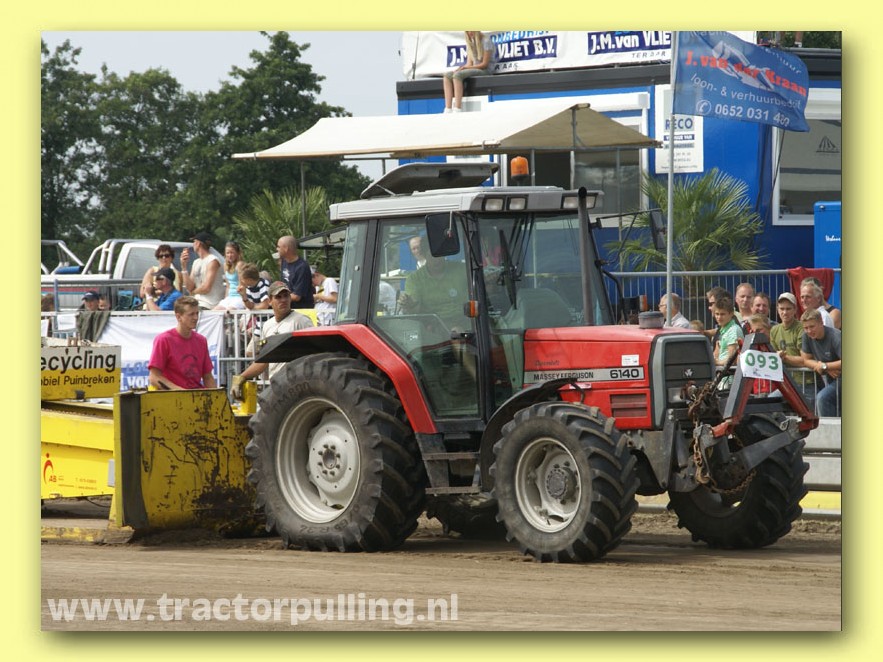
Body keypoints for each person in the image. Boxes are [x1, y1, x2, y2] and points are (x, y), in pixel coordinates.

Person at [230, 281, 314, 397]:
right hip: (276, 385)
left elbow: (313, 355)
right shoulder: (267, 325)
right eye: (278, 297)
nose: (283, 300)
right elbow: (263, 361)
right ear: (270, 301)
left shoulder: (301, 321)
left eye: (286, 296)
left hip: (297, 385)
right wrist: (241, 377)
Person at [148, 296, 217, 390]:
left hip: (196, 394)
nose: (196, 318)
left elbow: (208, 376)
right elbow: (154, 377)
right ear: (178, 317)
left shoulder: (201, 341)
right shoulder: (164, 340)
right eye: (191, 314)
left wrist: (216, 396)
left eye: (197, 313)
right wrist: (181, 392)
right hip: (173, 396)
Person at [771, 292, 816, 408]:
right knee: (770, 404)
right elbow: (772, 357)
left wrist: (784, 357)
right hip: (786, 384)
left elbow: (805, 360)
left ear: (795, 309)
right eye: (782, 309)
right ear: (777, 309)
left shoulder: (802, 328)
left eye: (788, 309)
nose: (785, 312)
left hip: (806, 383)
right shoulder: (774, 330)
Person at [800, 308, 842, 417]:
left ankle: (827, 428)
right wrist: (823, 367)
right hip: (832, 379)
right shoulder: (806, 336)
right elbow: (805, 360)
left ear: (821, 323)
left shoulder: (835, 336)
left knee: (822, 398)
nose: (809, 331)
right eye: (806, 328)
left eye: (812, 326)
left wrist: (825, 366)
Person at [442, 31, 495, 113]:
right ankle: (448, 109)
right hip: (475, 68)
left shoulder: (486, 41)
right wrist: (461, 68)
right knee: (447, 75)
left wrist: (465, 68)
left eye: (471, 30)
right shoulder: (471, 42)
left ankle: (457, 108)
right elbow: (469, 63)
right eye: (467, 31)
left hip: (485, 70)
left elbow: (484, 64)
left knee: (457, 75)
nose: (470, 32)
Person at [181, 232, 225, 310]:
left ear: (198, 243)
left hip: (210, 304)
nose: (193, 244)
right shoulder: (196, 262)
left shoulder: (212, 261)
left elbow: (206, 288)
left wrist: (193, 292)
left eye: (194, 242)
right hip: (198, 302)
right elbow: (189, 287)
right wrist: (184, 267)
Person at [275, 235, 314, 310]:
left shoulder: (302, 267)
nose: (277, 249)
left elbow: (297, 296)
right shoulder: (284, 261)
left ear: (286, 248)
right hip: (288, 308)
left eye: (279, 247)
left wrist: (277, 297)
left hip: (301, 310)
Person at [712, 295, 743, 388]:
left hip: (730, 380)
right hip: (721, 378)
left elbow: (732, 359)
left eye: (722, 314)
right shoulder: (723, 330)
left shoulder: (733, 330)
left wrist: (716, 363)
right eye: (717, 314)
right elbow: (717, 354)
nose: (719, 317)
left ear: (731, 314)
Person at [213, 241, 246, 311]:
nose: (229, 255)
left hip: (239, 297)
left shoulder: (240, 265)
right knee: (215, 311)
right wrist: (226, 299)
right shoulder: (225, 265)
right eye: (227, 253)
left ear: (237, 253)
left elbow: (242, 284)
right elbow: (228, 286)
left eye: (232, 253)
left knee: (229, 311)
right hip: (230, 297)